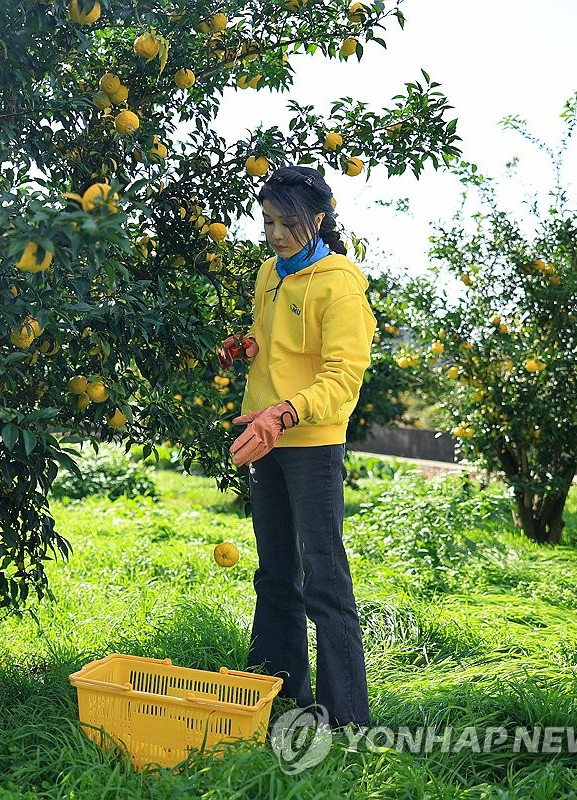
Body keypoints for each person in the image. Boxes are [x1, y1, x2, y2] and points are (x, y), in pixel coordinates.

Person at [218, 165, 376, 729]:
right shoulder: (270, 273)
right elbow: (277, 340)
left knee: (324, 579)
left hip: (309, 443)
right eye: (267, 222)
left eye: (286, 223)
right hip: (265, 438)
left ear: (318, 219)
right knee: (275, 572)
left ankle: (344, 717)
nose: (275, 234)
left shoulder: (340, 284)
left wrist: (286, 412)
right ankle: (276, 692)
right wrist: (246, 346)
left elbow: (343, 376)